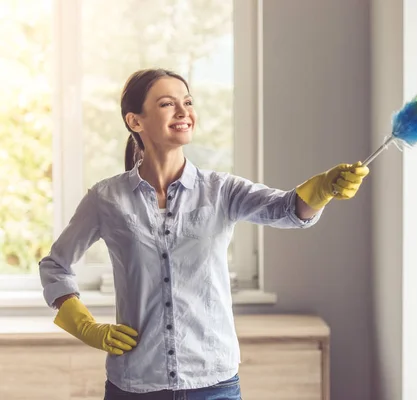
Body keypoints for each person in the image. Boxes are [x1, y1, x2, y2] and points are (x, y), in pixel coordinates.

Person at [39, 68, 369, 400]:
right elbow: (55, 265)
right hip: (135, 383)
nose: (184, 112)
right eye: (168, 104)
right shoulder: (106, 198)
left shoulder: (221, 190)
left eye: (188, 102)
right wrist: (84, 325)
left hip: (214, 385)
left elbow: (286, 209)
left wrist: (323, 189)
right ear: (135, 121)